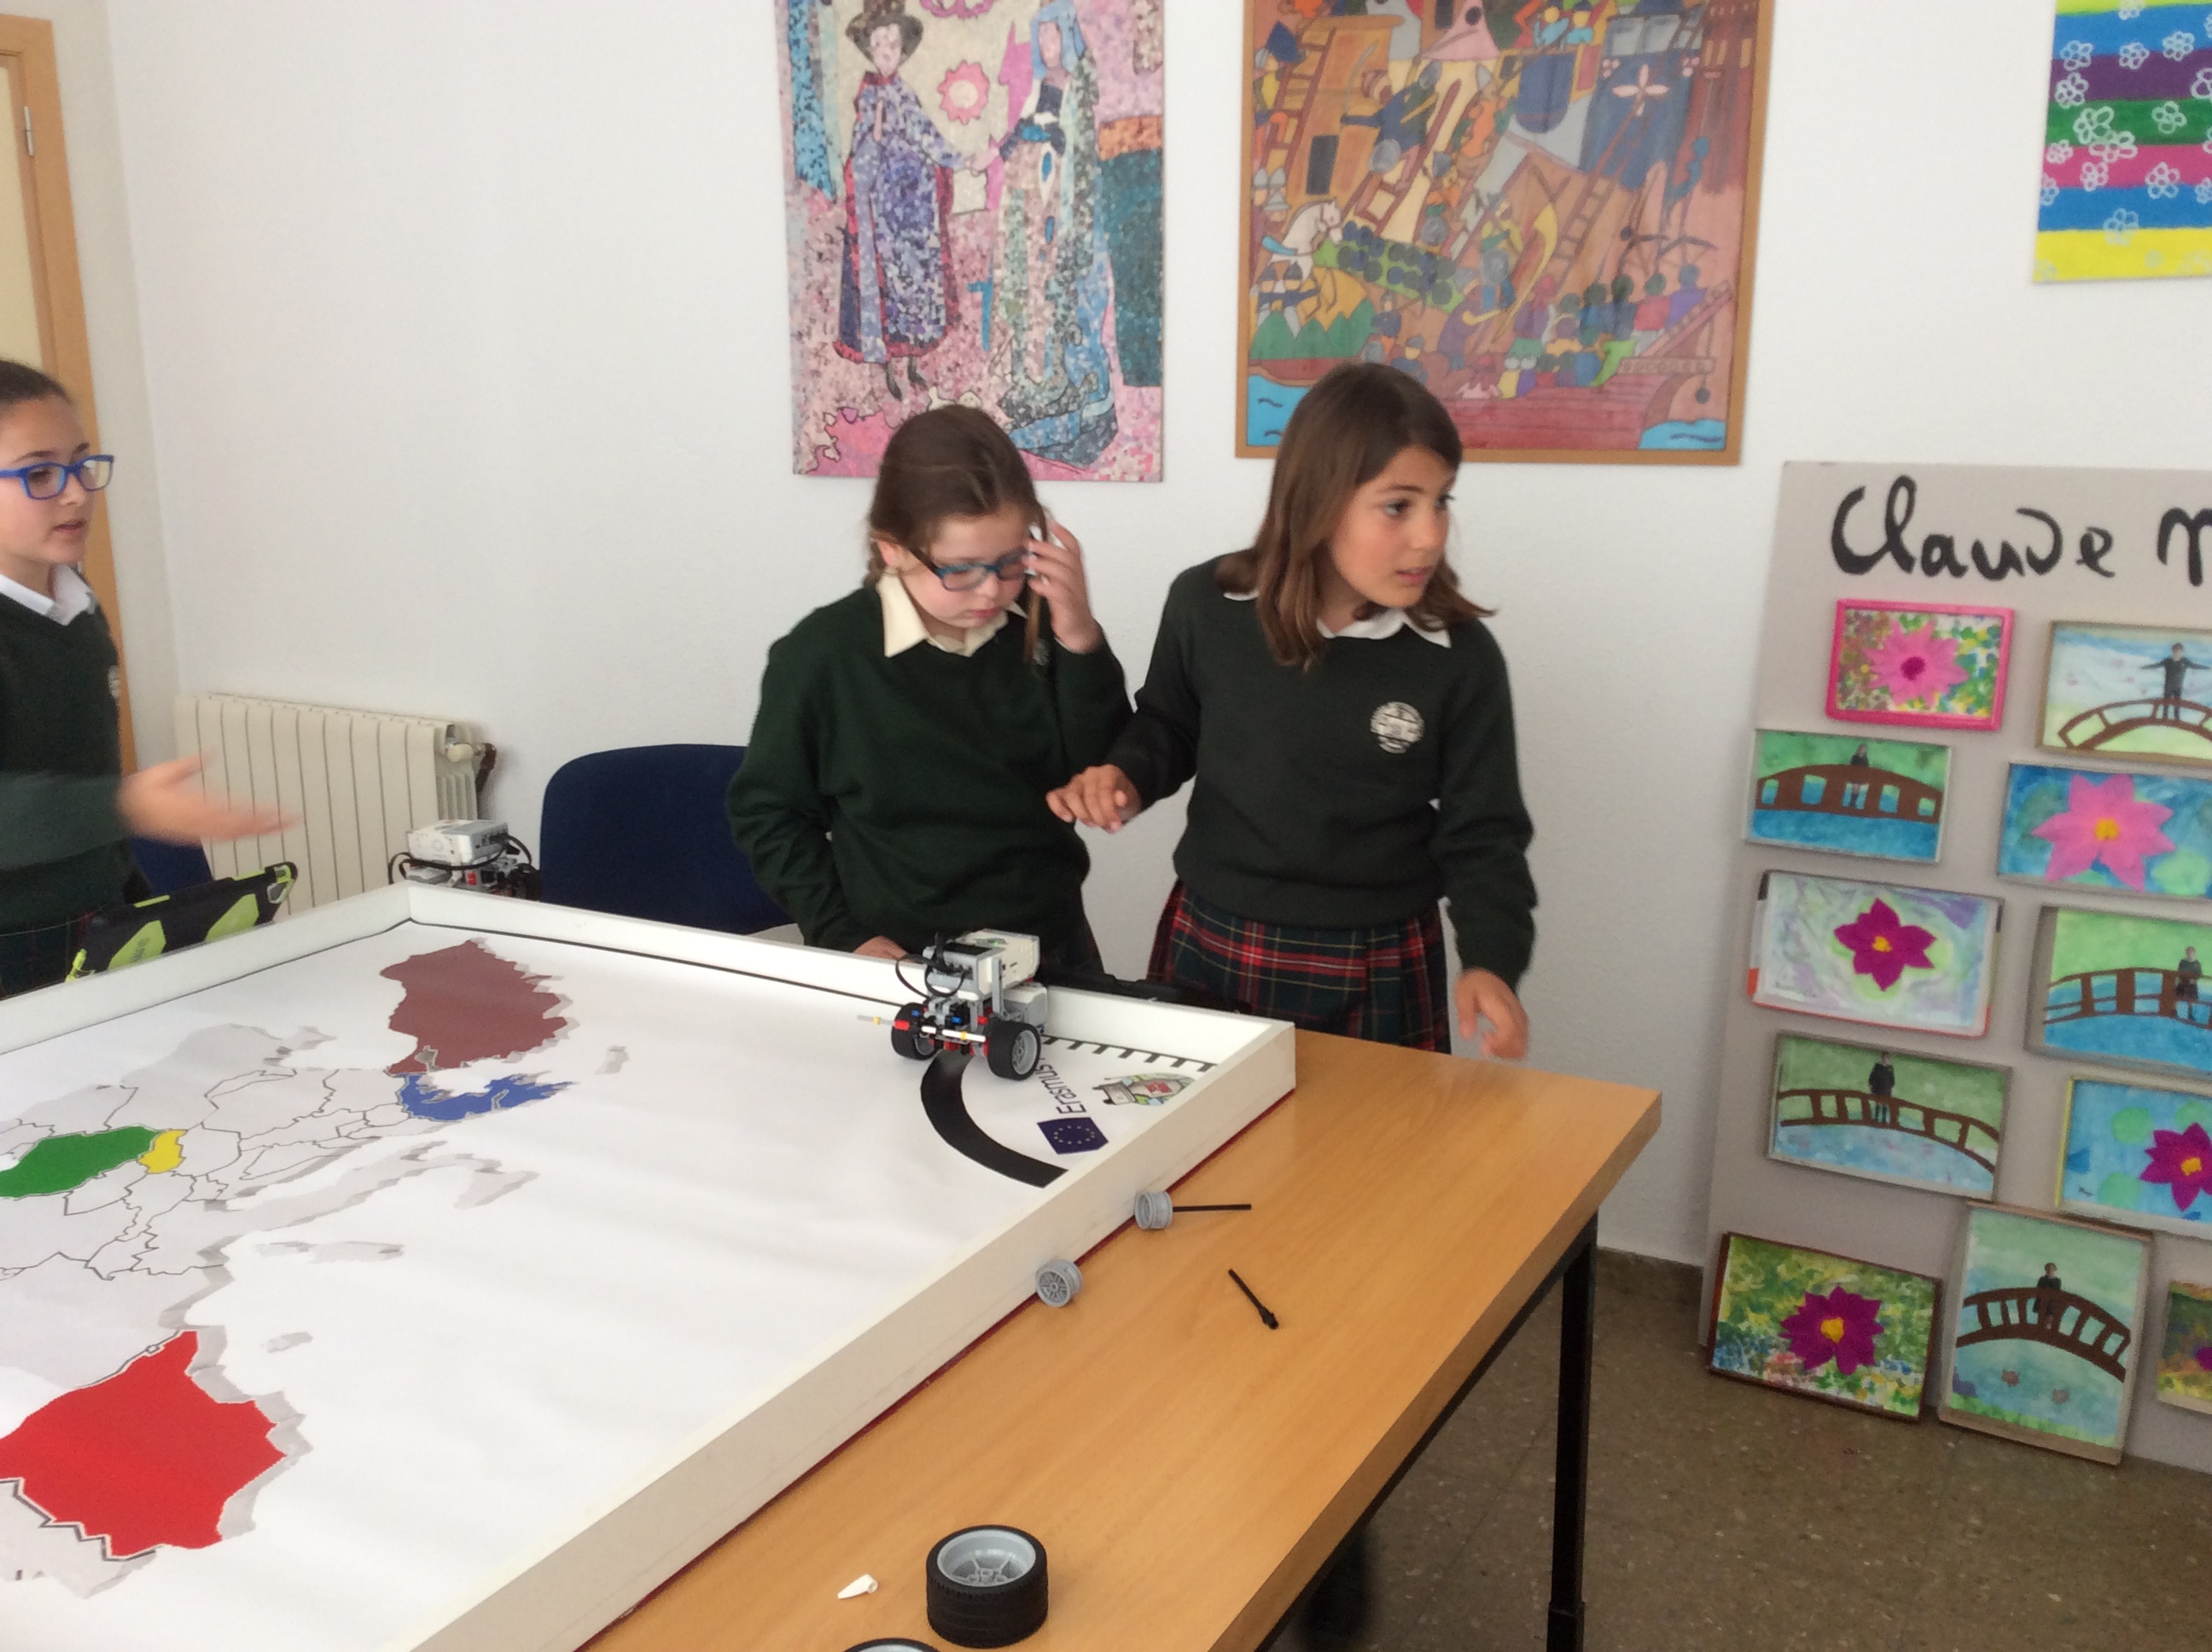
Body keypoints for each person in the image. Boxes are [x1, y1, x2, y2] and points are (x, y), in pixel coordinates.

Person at [1049, 360, 1536, 1066]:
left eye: (1442, 501)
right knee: (1207, 1133)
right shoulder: (1206, 605)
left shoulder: (1459, 657)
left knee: (1371, 1138)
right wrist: (1126, 775)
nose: (1431, 534)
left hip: (1381, 956)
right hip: (1216, 937)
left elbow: (1484, 833)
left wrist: (1492, 959)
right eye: (1399, 506)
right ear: (1318, 501)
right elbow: (1170, 726)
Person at [728, 404, 1126, 970]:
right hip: (899, 957)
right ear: (892, 548)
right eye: (960, 569)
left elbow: (1100, 773)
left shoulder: (1043, 633)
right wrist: (840, 932)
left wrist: (1080, 637)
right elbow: (769, 815)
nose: (991, 591)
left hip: (1048, 945)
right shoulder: (823, 657)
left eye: (1012, 562)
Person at [0, 360, 281, 997]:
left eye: (82, 463)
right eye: (39, 474)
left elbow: (80, 773)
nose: (76, 492)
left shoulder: (75, 603)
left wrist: (132, 895)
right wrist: (126, 805)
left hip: (91, 911)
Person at [835, 0, 979, 403]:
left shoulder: (904, 92)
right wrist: (876, 137)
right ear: (869, 48)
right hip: (884, 212)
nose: (886, 51)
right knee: (891, 287)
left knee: (917, 281)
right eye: (880, 43)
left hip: (914, 207)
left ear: (902, 50)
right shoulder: (867, 97)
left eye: (893, 44)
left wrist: (960, 159)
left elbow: (927, 135)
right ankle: (888, 367)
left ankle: (914, 360)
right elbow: (861, 156)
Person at [2146, 642, 2210, 719]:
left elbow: (2194, 666)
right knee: (2166, 704)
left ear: (2182, 652)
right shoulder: (2168, 661)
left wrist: (2208, 668)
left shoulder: (2185, 661)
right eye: (2175, 651)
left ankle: (2177, 719)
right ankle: (2164, 719)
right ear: (2173, 651)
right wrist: (2144, 667)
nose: (2177, 653)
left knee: (2177, 705)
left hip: (2178, 687)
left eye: (2179, 651)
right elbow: (2156, 665)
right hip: (2168, 687)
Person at [1866, 1051, 1895, 1124]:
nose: (1886, 1060)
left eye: (1887, 1058)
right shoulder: (1877, 1066)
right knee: (1878, 1102)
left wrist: (1891, 1088)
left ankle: (1884, 1119)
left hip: (1886, 1088)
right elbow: (1872, 1076)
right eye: (1884, 1058)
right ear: (1882, 1058)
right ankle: (1876, 1118)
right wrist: (1871, 1085)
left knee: (1885, 1103)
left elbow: (1892, 1079)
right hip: (1878, 1087)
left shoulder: (1890, 1068)